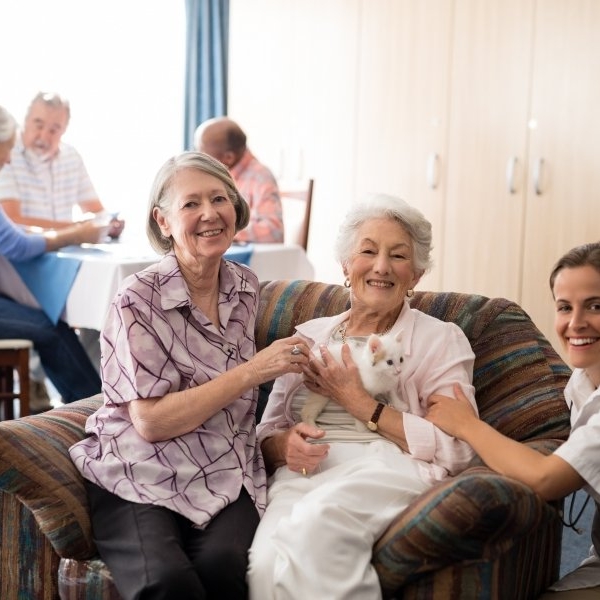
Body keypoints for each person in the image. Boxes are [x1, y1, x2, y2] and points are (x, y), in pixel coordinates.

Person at [68, 150, 309, 600]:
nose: (209, 214)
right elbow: (152, 422)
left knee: (225, 566)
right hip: (140, 465)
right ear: (163, 221)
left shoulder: (245, 286)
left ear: (235, 210)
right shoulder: (136, 299)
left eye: (219, 199)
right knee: (166, 581)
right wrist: (253, 371)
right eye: (191, 204)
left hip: (224, 462)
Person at [246, 194, 478, 599]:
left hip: (385, 465)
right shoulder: (307, 337)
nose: (382, 266)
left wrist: (361, 404)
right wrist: (283, 447)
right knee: (264, 564)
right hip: (303, 472)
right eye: (368, 251)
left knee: (320, 523)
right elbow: (264, 437)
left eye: (398, 256)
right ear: (346, 267)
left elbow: (459, 449)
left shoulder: (441, 340)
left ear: (416, 274)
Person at [426, 241, 600, 598]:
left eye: (595, 306)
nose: (575, 323)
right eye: (564, 307)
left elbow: (544, 478)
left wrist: (467, 425)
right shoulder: (580, 382)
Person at [0, 92, 125, 401]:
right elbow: (16, 243)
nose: (8, 158)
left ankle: (90, 406)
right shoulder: (15, 160)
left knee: (60, 321)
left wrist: (94, 226)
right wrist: (75, 233)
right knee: (51, 326)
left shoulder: (70, 156)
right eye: (5, 150)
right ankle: (96, 410)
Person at [194, 116, 283, 243]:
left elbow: (274, 232)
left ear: (228, 158)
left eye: (201, 151)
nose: (197, 157)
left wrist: (221, 231)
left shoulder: (260, 177)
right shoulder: (217, 177)